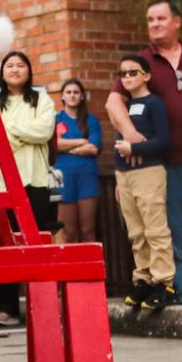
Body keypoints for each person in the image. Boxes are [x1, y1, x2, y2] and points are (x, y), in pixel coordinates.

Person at [106, 0, 182, 308]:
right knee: (167, 234)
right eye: (150, 19)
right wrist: (133, 138)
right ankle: (175, 298)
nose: (155, 24)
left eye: (161, 18)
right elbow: (113, 102)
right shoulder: (141, 62)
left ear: (177, 21)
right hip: (161, 167)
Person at [0, 50, 56, 326]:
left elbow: (45, 131)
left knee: (35, 244)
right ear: (2, 71)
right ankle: (7, 308)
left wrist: (8, 131)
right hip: (1, 181)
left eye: (20, 65)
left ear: (28, 71)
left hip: (35, 180)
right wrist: (21, 133)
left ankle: (42, 307)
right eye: (9, 65)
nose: (15, 70)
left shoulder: (41, 99)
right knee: (7, 246)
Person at [112, 54, 173, 311]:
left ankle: (164, 282)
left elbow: (164, 141)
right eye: (123, 73)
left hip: (148, 172)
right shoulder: (124, 107)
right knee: (136, 232)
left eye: (132, 72)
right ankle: (143, 279)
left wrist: (135, 147)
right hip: (124, 176)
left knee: (155, 229)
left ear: (146, 76)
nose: (127, 77)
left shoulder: (154, 104)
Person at [53, 79, 102, 247]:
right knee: (66, 231)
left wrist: (68, 148)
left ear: (82, 96)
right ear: (62, 97)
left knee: (88, 229)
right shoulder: (56, 119)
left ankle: (90, 273)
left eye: (76, 92)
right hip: (60, 177)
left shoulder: (91, 120)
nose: (72, 95)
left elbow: (94, 148)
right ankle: (67, 273)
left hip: (87, 177)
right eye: (68, 92)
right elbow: (54, 145)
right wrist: (82, 141)